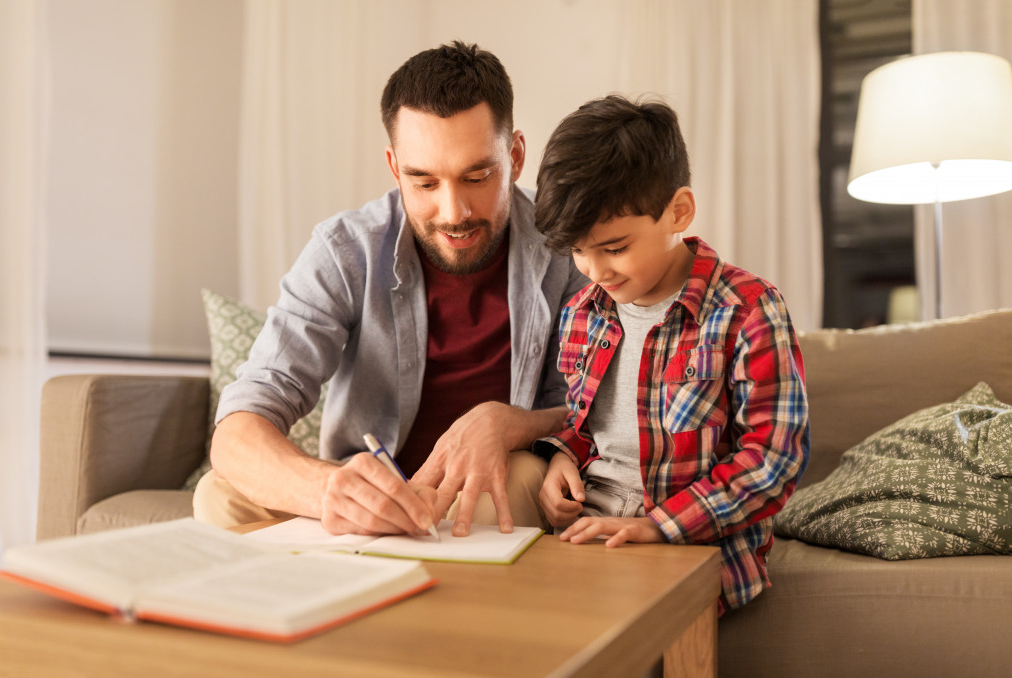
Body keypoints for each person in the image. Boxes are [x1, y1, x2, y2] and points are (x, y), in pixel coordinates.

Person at [194, 41, 589, 538]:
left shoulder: (569, 249)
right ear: (393, 166)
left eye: (476, 176)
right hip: (365, 496)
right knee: (219, 494)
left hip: (487, 489)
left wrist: (508, 422)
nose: (453, 213)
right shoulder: (345, 250)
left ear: (515, 156)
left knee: (520, 481)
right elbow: (238, 427)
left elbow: (590, 408)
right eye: (424, 183)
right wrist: (329, 491)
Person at [531, 95, 810, 613]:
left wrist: (657, 528)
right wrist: (562, 457)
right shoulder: (582, 313)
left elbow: (772, 461)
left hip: (691, 542)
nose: (595, 271)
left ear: (677, 211)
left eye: (614, 248)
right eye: (578, 251)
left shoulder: (748, 310)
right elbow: (588, 422)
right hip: (585, 532)